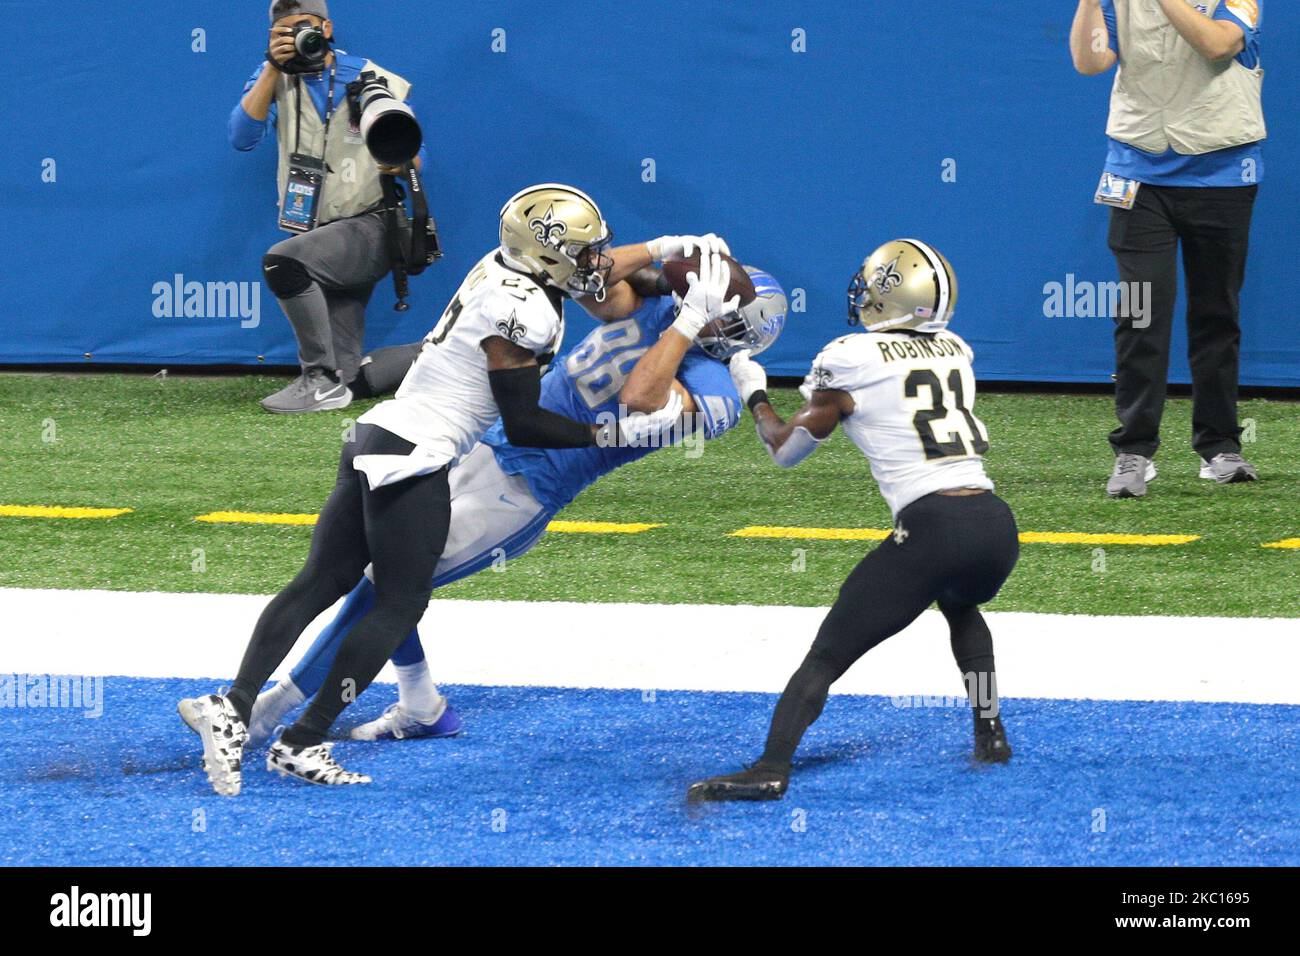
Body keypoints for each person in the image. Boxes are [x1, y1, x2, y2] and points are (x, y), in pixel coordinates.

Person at [179, 183, 721, 794]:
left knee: (321, 582)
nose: (600, 260)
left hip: (377, 435)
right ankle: (303, 739)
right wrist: (608, 432)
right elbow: (525, 423)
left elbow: (585, 273)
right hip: (419, 455)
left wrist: (664, 246)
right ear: (551, 256)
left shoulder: (505, 266)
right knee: (399, 603)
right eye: (587, 250)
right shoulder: (531, 311)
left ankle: (233, 703)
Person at [245, 254, 788, 744]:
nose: (702, 305)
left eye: (720, 308)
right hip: (491, 443)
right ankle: (422, 706)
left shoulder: (716, 391)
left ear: (735, 331)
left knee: (381, 589)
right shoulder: (655, 312)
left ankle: (272, 709)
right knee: (392, 569)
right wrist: (663, 252)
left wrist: (690, 323)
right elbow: (589, 280)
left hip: (524, 493)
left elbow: (640, 397)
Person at [688, 240, 1019, 802]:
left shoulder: (851, 357)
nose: (862, 295)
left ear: (892, 297)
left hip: (933, 526)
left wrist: (753, 389)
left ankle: (771, 767)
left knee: (827, 652)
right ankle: (991, 734)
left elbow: (785, 450)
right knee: (962, 605)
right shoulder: (956, 349)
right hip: (994, 525)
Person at [1070, 0, 1265, 497]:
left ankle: (1219, 446)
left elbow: (1218, 43)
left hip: (1223, 175)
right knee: (1140, 313)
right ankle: (1133, 451)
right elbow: (1091, 62)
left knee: (1216, 313)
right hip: (1138, 174)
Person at [230, 0, 429, 413]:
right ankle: (430, 355)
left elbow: (417, 157)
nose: (298, 36)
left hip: (370, 227)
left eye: (305, 26)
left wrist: (395, 153)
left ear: (327, 27)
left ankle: (316, 378)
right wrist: (271, 66)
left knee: (282, 263)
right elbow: (242, 136)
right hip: (312, 233)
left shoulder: (370, 76)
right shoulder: (275, 78)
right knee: (349, 378)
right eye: (284, 30)